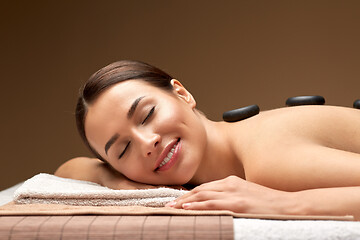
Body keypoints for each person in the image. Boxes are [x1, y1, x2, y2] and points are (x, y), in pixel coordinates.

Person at [55, 60, 360, 220]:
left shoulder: (266, 159)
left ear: (182, 93)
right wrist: (122, 183)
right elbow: (71, 168)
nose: (147, 143)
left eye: (147, 115)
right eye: (123, 149)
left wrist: (287, 204)